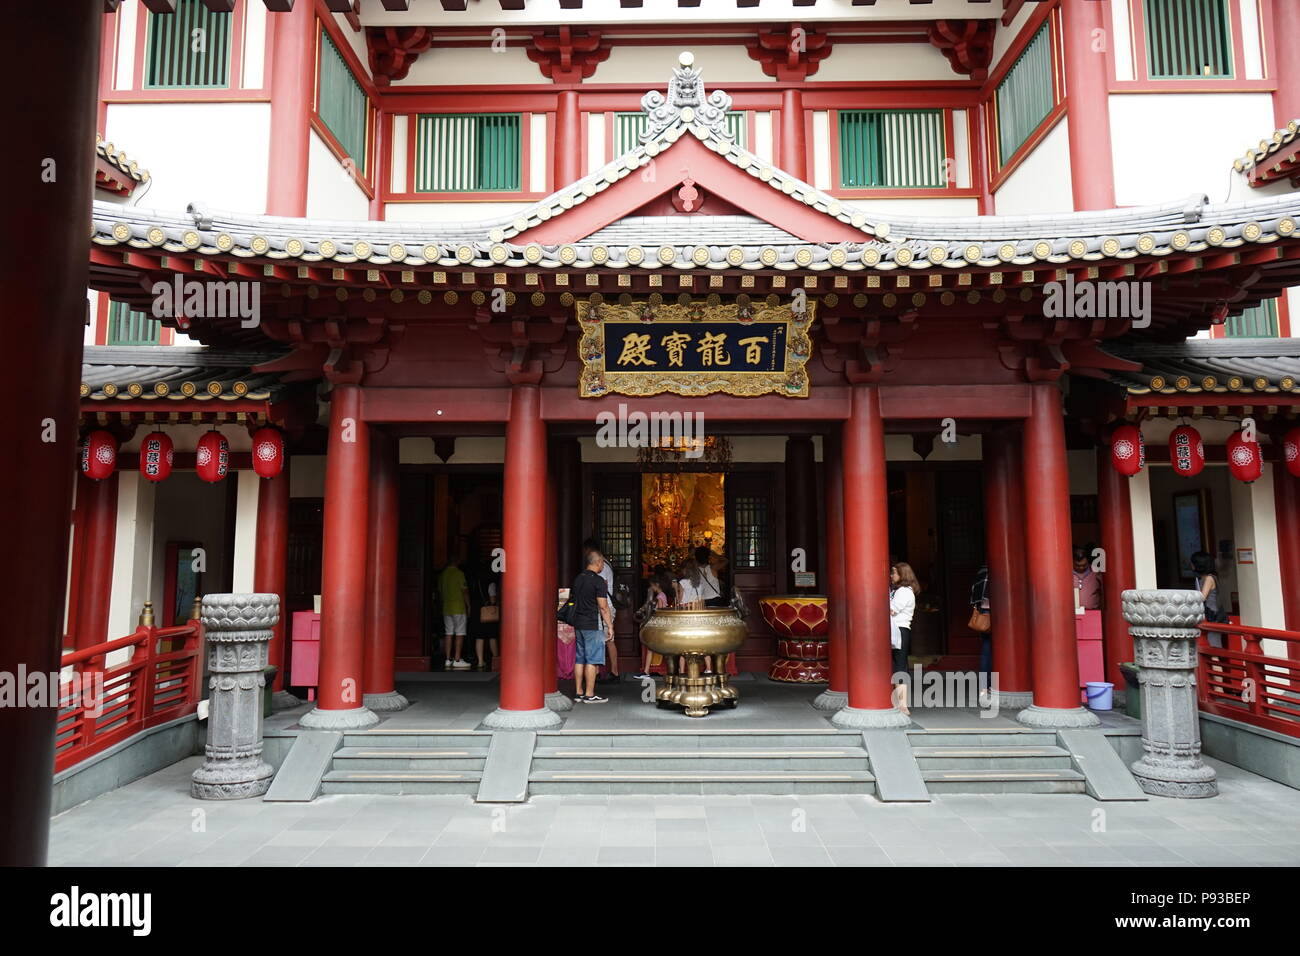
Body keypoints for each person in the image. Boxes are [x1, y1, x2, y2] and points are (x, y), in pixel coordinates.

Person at [570, 548, 615, 703]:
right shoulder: (598, 581)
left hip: (578, 623)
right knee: (592, 659)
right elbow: (603, 607)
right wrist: (609, 626)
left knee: (579, 659)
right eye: (602, 562)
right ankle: (590, 694)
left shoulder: (578, 578)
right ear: (598, 562)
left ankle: (578, 692)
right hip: (593, 624)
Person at [583, 538, 621, 683]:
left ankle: (613, 672)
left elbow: (600, 586)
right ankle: (602, 672)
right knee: (604, 639)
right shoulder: (605, 563)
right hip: (603, 604)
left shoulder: (601, 565)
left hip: (604, 604)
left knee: (607, 639)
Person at [890, 562, 920, 716]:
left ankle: (902, 704)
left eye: (894, 573)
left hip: (899, 629)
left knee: (900, 665)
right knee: (898, 664)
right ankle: (899, 702)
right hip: (898, 629)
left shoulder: (903, 591)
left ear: (902, 575)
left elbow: (892, 611)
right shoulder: (900, 591)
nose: (891, 576)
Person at [631, 571, 672, 681]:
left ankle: (646, 671)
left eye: (651, 585)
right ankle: (647, 671)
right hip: (661, 625)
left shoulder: (659, 597)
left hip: (658, 626)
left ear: (656, 585)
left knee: (650, 647)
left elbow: (659, 612)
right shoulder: (662, 595)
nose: (651, 587)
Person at [438, 549, 472, 670]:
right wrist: (469, 605)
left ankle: (448, 659)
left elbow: (440, 592)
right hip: (458, 607)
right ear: (457, 561)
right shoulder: (459, 574)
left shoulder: (443, 574)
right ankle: (457, 659)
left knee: (448, 633)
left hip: (447, 607)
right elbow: (465, 591)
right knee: (460, 633)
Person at [1192, 551, 1227, 648]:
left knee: (1213, 644)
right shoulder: (1201, 579)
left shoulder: (1209, 579)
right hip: (1207, 614)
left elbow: (1202, 597)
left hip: (1212, 615)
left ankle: (1215, 662)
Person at [471, 563, 500, 672]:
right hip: (488, 613)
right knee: (492, 636)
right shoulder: (490, 583)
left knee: (479, 637)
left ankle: (480, 661)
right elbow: (492, 599)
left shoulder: (476, 582)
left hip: (477, 612)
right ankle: (496, 659)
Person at [970, 563, 991, 691]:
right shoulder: (996, 572)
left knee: (986, 649)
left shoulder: (981, 573)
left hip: (983, 613)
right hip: (995, 614)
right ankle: (992, 684)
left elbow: (974, 595)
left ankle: (984, 686)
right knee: (992, 650)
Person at [1071, 546, 1103, 610]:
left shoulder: (1096, 572)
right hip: (1072, 611)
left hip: (1093, 611)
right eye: (1078, 565)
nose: (1081, 568)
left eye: (1084, 565)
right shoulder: (1067, 573)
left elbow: (1103, 591)